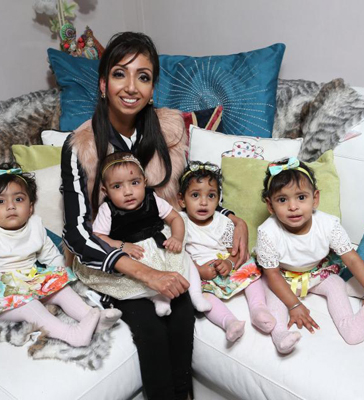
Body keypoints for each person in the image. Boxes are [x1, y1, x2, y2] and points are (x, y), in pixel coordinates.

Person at [60, 31, 248, 399]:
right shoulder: (79, 146)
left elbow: (190, 193)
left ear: (152, 88)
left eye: (143, 76)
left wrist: (232, 217)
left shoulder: (169, 130)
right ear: (103, 84)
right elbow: (77, 233)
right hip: (113, 259)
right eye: (120, 74)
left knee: (182, 315)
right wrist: (147, 274)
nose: (131, 87)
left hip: (162, 251)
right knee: (148, 326)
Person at [0, 162, 121, 346]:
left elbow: (51, 256)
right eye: (0, 202)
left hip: (29, 283)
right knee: (30, 305)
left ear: (31, 206)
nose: (11, 206)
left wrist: (60, 280)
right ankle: (72, 335)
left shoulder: (35, 226)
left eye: (18, 199)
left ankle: (93, 318)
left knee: (61, 289)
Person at [255, 157, 364, 354]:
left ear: (315, 198)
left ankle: (350, 326)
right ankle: (280, 333)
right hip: (282, 277)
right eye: (282, 200)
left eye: (301, 197)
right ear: (270, 205)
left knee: (336, 284)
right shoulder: (268, 232)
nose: (293, 206)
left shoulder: (328, 224)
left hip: (317, 272)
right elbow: (272, 274)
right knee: (273, 294)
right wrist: (294, 305)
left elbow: (351, 258)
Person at [79, 152, 211, 316]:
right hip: (135, 251)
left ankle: (196, 295)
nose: (128, 192)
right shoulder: (107, 210)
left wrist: (176, 238)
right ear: (106, 191)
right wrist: (121, 246)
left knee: (185, 260)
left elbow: (175, 218)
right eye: (117, 187)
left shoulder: (152, 199)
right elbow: (98, 237)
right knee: (139, 278)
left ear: (144, 182)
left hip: (160, 243)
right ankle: (158, 298)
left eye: (135, 183)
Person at [178, 162, 276, 342]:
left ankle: (258, 309)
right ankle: (229, 322)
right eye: (195, 195)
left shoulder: (223, 221)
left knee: (251, 268)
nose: (203, 202)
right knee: (200, 296)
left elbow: (235, 250)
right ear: (182, 200)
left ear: (218, 200)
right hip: (199, 272)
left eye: (211, 196)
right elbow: (179, 254)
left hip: (223, 265)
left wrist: (229, 262)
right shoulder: (180, 222)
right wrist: (198, 270)